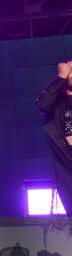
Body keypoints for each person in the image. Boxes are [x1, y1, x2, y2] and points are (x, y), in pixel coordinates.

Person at [36, 61, 72, 215]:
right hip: (66, 160)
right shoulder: (57, 102)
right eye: (70, 70)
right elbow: (42, 105)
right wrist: (60, 78)